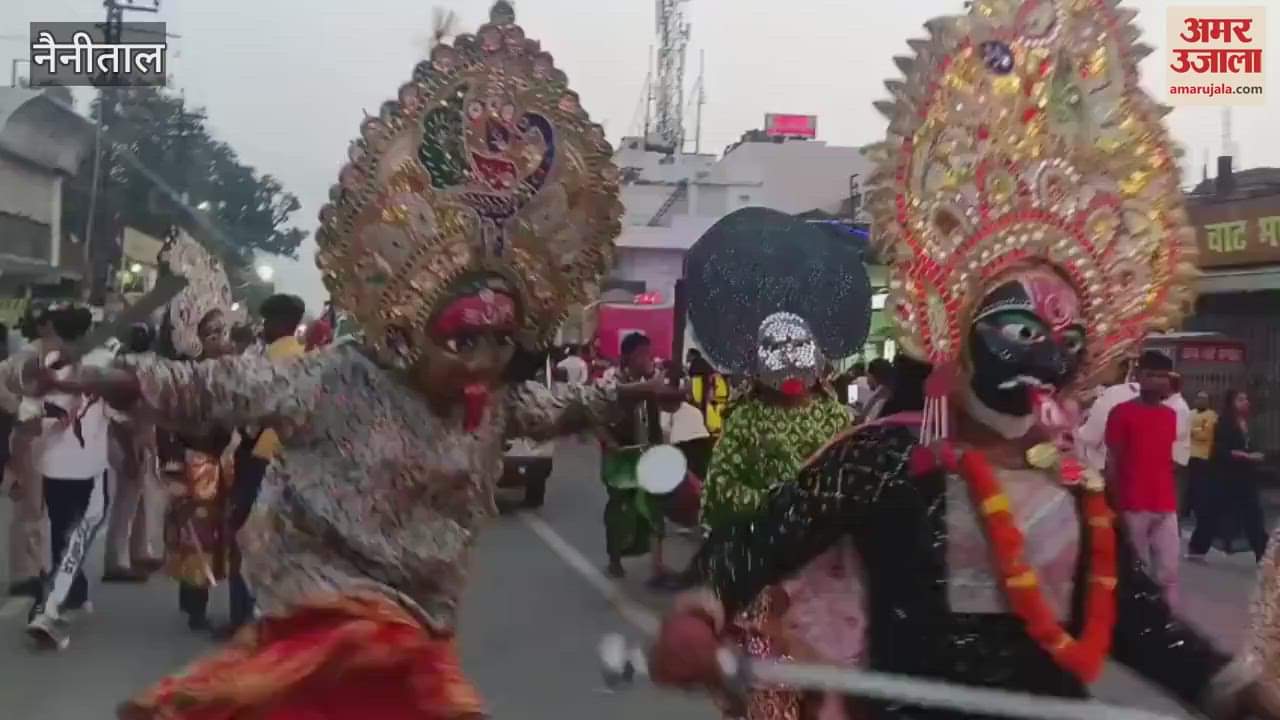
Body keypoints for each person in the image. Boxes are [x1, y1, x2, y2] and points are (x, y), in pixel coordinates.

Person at [6, 6, 681, 715]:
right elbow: (213, 387)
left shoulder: (491, 404)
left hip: (420, 631)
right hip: (326, 626)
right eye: (463, 341)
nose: (482, 361)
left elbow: (564, 404)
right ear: (412, 329)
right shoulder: (335, 381)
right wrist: (83, 372)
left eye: (500, 344)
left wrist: (638, 391)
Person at [647, 1, 1280, 718]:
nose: (1043, 352)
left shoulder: (1076, 487)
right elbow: (756, 542)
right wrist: (698, 611)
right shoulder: (886, 457)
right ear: (958, 321)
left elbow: (1144, 627)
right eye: (1019, 327)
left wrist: (1230, 688)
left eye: (1063, 338)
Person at [22, 306, 116, 650]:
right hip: (88, 463)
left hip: (61, 463)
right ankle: (64, 598)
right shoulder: (106, 361)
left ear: (57, 333)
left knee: (64, 532)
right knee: (74, 532)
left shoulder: (50, 365)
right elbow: (120, 411)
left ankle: (57, 603)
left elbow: (28, 411)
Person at [223, 293, 307, 637]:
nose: (263, 328)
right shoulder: (305, 358)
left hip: (258, 456)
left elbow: (249, 408)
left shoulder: (270, 362)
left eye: (266, 322)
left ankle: (243, 617)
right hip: (288, 459)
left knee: (243, 535)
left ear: (279, 323)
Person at [1104, 351, 1180, 608]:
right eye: (1151, 375)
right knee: (1137, 571)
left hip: (1165, 503)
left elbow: (1165, 459)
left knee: (1169, 570)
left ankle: (1167, 620)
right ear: (1138, 376)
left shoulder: (1170, 416)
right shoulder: (1121, 413)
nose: (1158, 381)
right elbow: (1112, 461)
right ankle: (1135, 623)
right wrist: (1113, 505)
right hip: (1132, 504)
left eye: (1163, 376)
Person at [102, 323, 166, 582]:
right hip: (126, 438)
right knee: (127, 502)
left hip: (138, 437)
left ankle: (140, 551)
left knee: (140, 498)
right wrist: (131, 452)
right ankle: (117, 560)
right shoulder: (128, 369)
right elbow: (120, 418)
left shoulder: (129, 364)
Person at [601, 332, 667, 580]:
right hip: (620, 454)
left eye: (648, 353)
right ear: (627, 356)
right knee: (620, 507)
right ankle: (615, 558)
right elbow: (606, 404)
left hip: (647, 451)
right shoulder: (611, 378)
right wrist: (608, 442)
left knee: (654, 507)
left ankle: (657, 567)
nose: (646, 359)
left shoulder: (651, 377)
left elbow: (663, 398)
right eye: (641, 355)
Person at [1189, 389, 1268, 563]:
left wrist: (1255, 455)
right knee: (1211, 514)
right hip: (1224, 477)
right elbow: (1219, 450)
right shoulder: (1223, 423)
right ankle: (1197, 548)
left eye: (1246, 399)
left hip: (1244, 478)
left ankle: (1262, 552)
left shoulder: (1247, 424)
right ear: (1231, 403)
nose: (1245, 402)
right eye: (1240, 399)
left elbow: (1249, 446)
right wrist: (1243, 455)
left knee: (1253, 515)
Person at [1186, 390, 1219, 537]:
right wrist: (1195, 430)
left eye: (1203, 399)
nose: (1200, 401)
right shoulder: (1190, 413)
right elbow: (1183, 430)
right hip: (1190, 456)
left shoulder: (1211, 415)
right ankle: (1188, 509)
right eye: (1198, 398)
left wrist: (1192, 430)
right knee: (1190, 486)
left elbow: (1205, 434)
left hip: (1204, 457)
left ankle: (1199, 510)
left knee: (1200, 486)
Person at [860, 358, 894, 423]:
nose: (867, 379)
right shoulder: (890, 391)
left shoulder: (879, 396)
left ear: (873, 375)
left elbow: (866, 420)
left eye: (867, 375)